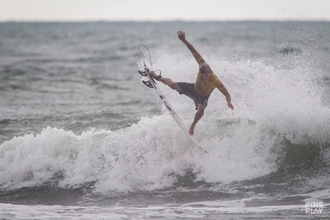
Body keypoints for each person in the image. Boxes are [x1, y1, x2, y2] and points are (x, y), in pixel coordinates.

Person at [149, 30, 234, 135]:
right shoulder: (201, 63)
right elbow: (194, 51)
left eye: (205, 76)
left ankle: (192, 126)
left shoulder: (215, 80)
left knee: (201, 109)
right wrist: (184, 40)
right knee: (172, 85)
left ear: (210, 72)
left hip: (203, 97)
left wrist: (229, 102)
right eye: (201, 75)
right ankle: (156, 76)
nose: (203, 77)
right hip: (193, 88)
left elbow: (226, 93)